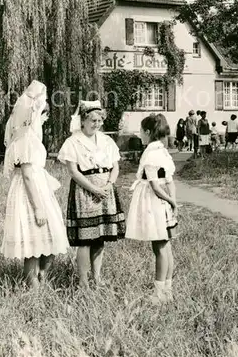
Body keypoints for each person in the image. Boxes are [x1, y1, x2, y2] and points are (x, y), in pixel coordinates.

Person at [1, 80, 69, 289]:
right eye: (42, 111)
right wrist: (38, 206)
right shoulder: (25, 140)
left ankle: (41, 276)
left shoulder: (30, 137)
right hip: (30, 192)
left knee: (51, 237)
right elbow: (28, 174)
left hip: (39, 187)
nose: (44, 117)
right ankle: (33, 286)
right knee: (33, 240)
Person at [57, 100, 125, 289]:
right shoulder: (73, 142)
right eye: (93, 120)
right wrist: (94, 189)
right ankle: (83, 281)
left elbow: (115, 166)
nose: (97, 124)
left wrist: (109, 184)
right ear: (83, 121)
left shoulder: (106, 140)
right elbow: (73, 171)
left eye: (99, 120)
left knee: (100, 237)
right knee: (86, 239)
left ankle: (97, 277)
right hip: (85, 192)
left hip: (106, 192)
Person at [126, 113, 177, 305]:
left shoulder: (151, 154)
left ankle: (159, 292)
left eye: (140, 131)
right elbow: (170, 182)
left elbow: (155, 186)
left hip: (154, 203)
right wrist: (173, 201)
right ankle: (167, 290)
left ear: (147, 132)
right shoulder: (163, 151)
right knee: (166, 246)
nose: (139, 134)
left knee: (160, 248)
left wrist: (170, 202)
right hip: (164, 203)